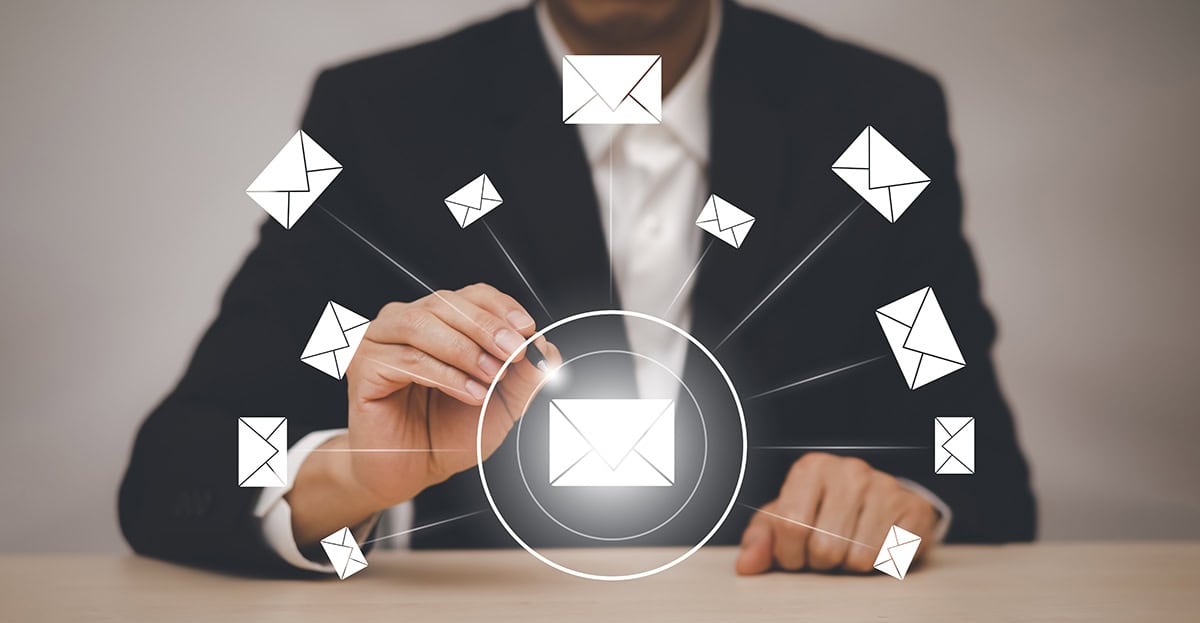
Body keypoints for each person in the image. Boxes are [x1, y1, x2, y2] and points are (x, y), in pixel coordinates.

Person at [119, 0, 1035, 577]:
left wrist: (907, 510)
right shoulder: (371, 115)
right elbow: (174, 472)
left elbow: (981, 470)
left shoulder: (877, 116)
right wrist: (360, 477)